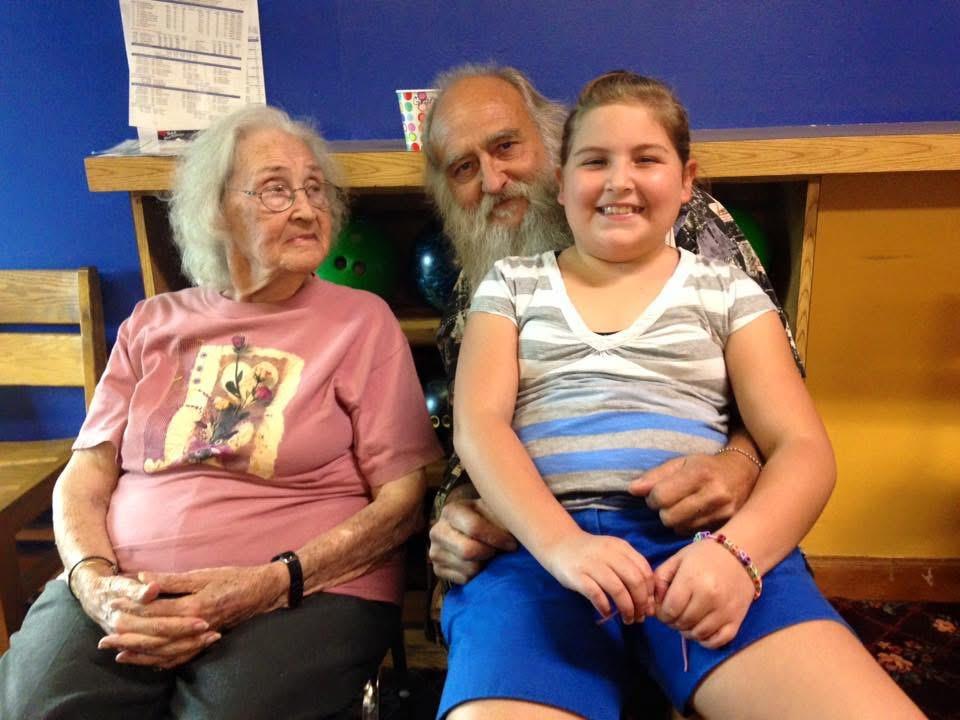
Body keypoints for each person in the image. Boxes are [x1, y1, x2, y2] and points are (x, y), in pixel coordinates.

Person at [439, 70, 924, 720]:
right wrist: (555, 543)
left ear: (688, 180)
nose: (618, 181)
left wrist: (737, 556)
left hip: (702, 549)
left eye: (646, 159)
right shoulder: (506, 285)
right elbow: (477, 428)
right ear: (564, 179)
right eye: (594, 162)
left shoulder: (724, 287)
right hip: (540, 560)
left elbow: (801, 444)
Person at [0, 105, 443, 720]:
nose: (308, 209)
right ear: (215, 209)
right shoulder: (151, 322)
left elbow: (401, 503)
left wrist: (271, 581)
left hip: (302, 590)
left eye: (315, 189)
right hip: (127, 585)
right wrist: (92, 581)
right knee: (36, 706)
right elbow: (88, 470)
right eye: (276, 190)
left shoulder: (360, 322)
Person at [422, 64, 796, 587]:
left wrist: (740, 462)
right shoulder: (476, 287)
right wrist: (458, 514)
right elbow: (476, 431)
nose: (492, 180)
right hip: (544, 544)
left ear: (553, 149)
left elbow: (784, 396)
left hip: (686, 528)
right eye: (463, 168)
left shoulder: (684, 220)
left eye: (506, 147)